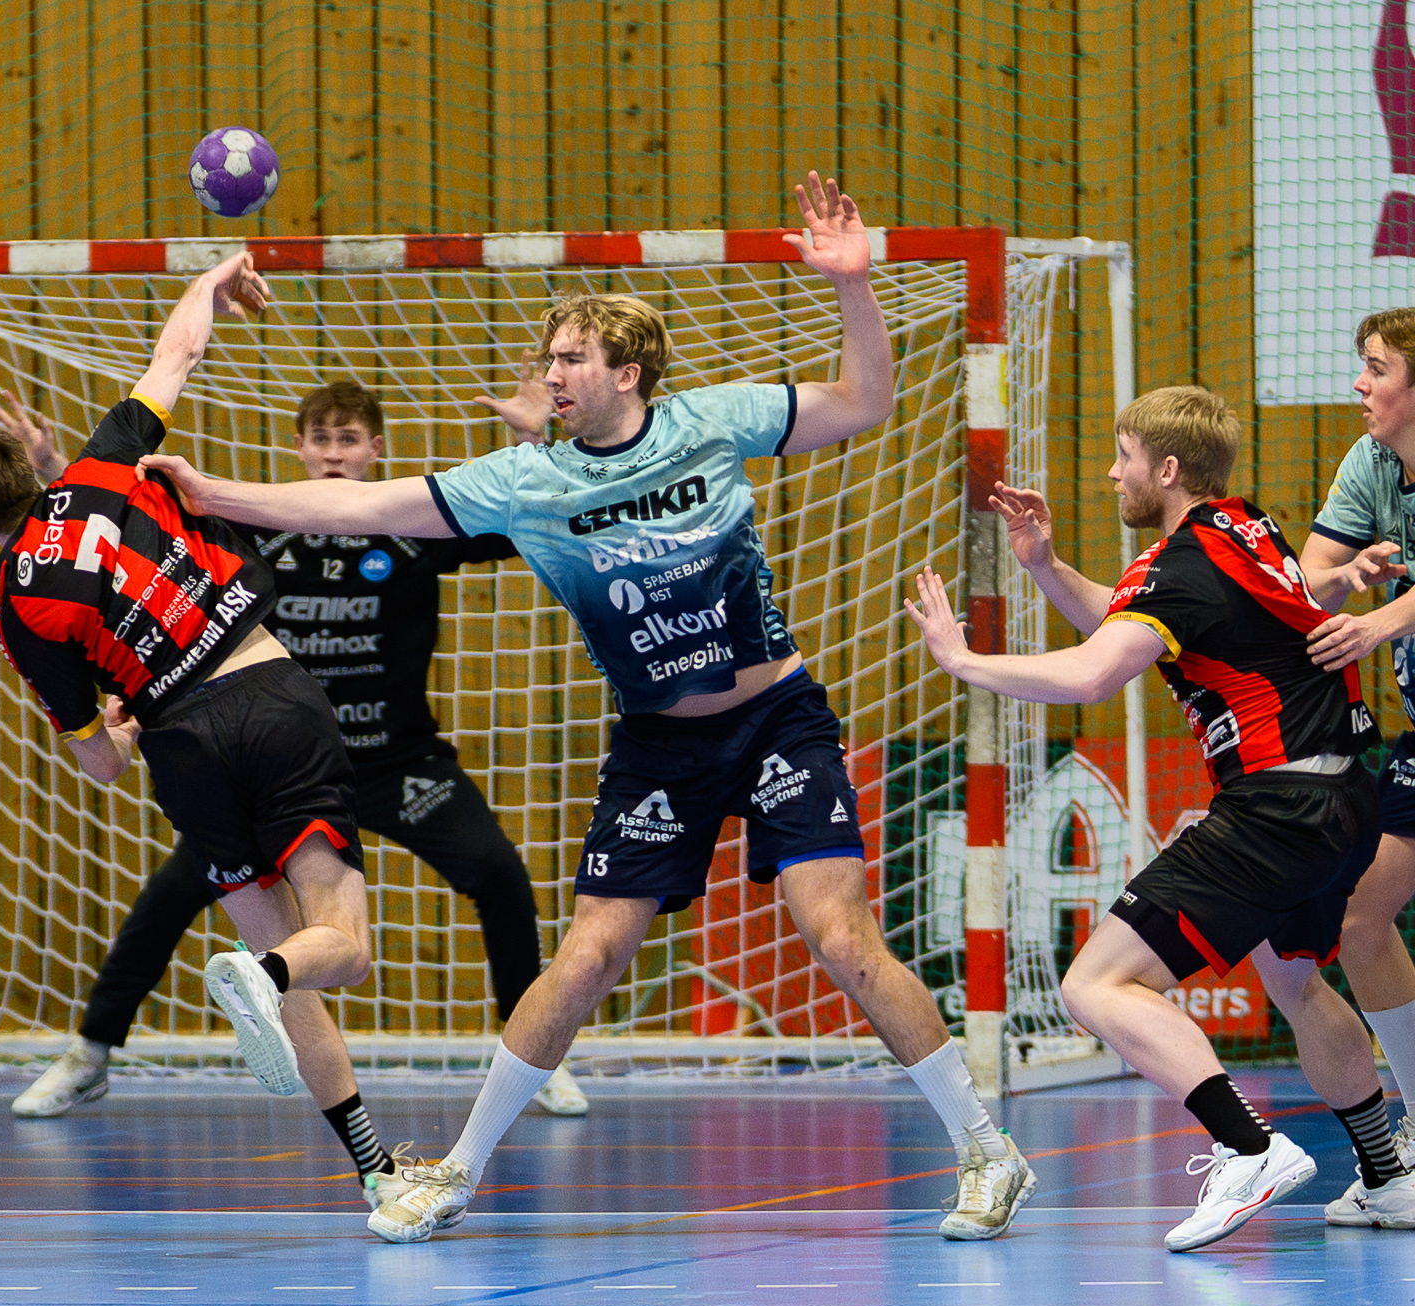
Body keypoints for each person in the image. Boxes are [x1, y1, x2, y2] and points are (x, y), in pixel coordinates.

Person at [142, 172, 1034, 1245]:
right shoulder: (529, 482)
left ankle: (986, 1149)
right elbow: (362, 502)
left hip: (775, 720)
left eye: (570, 358)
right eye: (550, 358)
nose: (551, 373)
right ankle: (457, 1172)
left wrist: (851, 283)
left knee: (839, 936)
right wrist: (215, 495)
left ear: (627, 371)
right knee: (585, 956)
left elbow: (863, 402)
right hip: (659, 743)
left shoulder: (711, 423)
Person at [0, 253, 424, 1212]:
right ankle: (261, 976)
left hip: (181, 750)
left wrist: (116, 733)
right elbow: (177, 352)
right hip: (268, 695)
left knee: (288, 974)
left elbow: (98, 762)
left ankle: (375, 1170)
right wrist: (211, 277)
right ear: (26, 468)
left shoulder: (19, 612)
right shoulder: (101, 466)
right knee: (340, 946)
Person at [906, 384, 1412, 1251]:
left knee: (1094, 984)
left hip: (1276, 807)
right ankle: (1390, 1175)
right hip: (1340, 799)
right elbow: (1132, 622)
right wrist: (1044, 564)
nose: (1112, 473)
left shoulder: (1180, 564)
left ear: (1168, 468)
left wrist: (966, 661)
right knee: (1295, 982)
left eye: (1125, 456)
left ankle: (1247, 1147)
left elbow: (1093, 674)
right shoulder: (1244, 530)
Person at [11, 380, 588, 1125]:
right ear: (299, 449)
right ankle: (90, 1053)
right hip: (281, 767)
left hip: (397, 763)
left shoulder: (411, 524)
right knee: (169, 896)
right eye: (322, 440)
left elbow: (525, 518)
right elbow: (120, 532)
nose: (335, 454)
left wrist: (535, 441)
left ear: (376, 449)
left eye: (349, 441)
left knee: (500, 874)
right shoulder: (259, 524)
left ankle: (535, 1060)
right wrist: (55, 470)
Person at [1294, 307, 1415, 1229]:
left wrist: (1382, 619)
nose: (1359, 383)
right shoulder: (1372, 462)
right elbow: (1309, 577)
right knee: (1362, 920)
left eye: (1376, 367)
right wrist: (1350, 576)